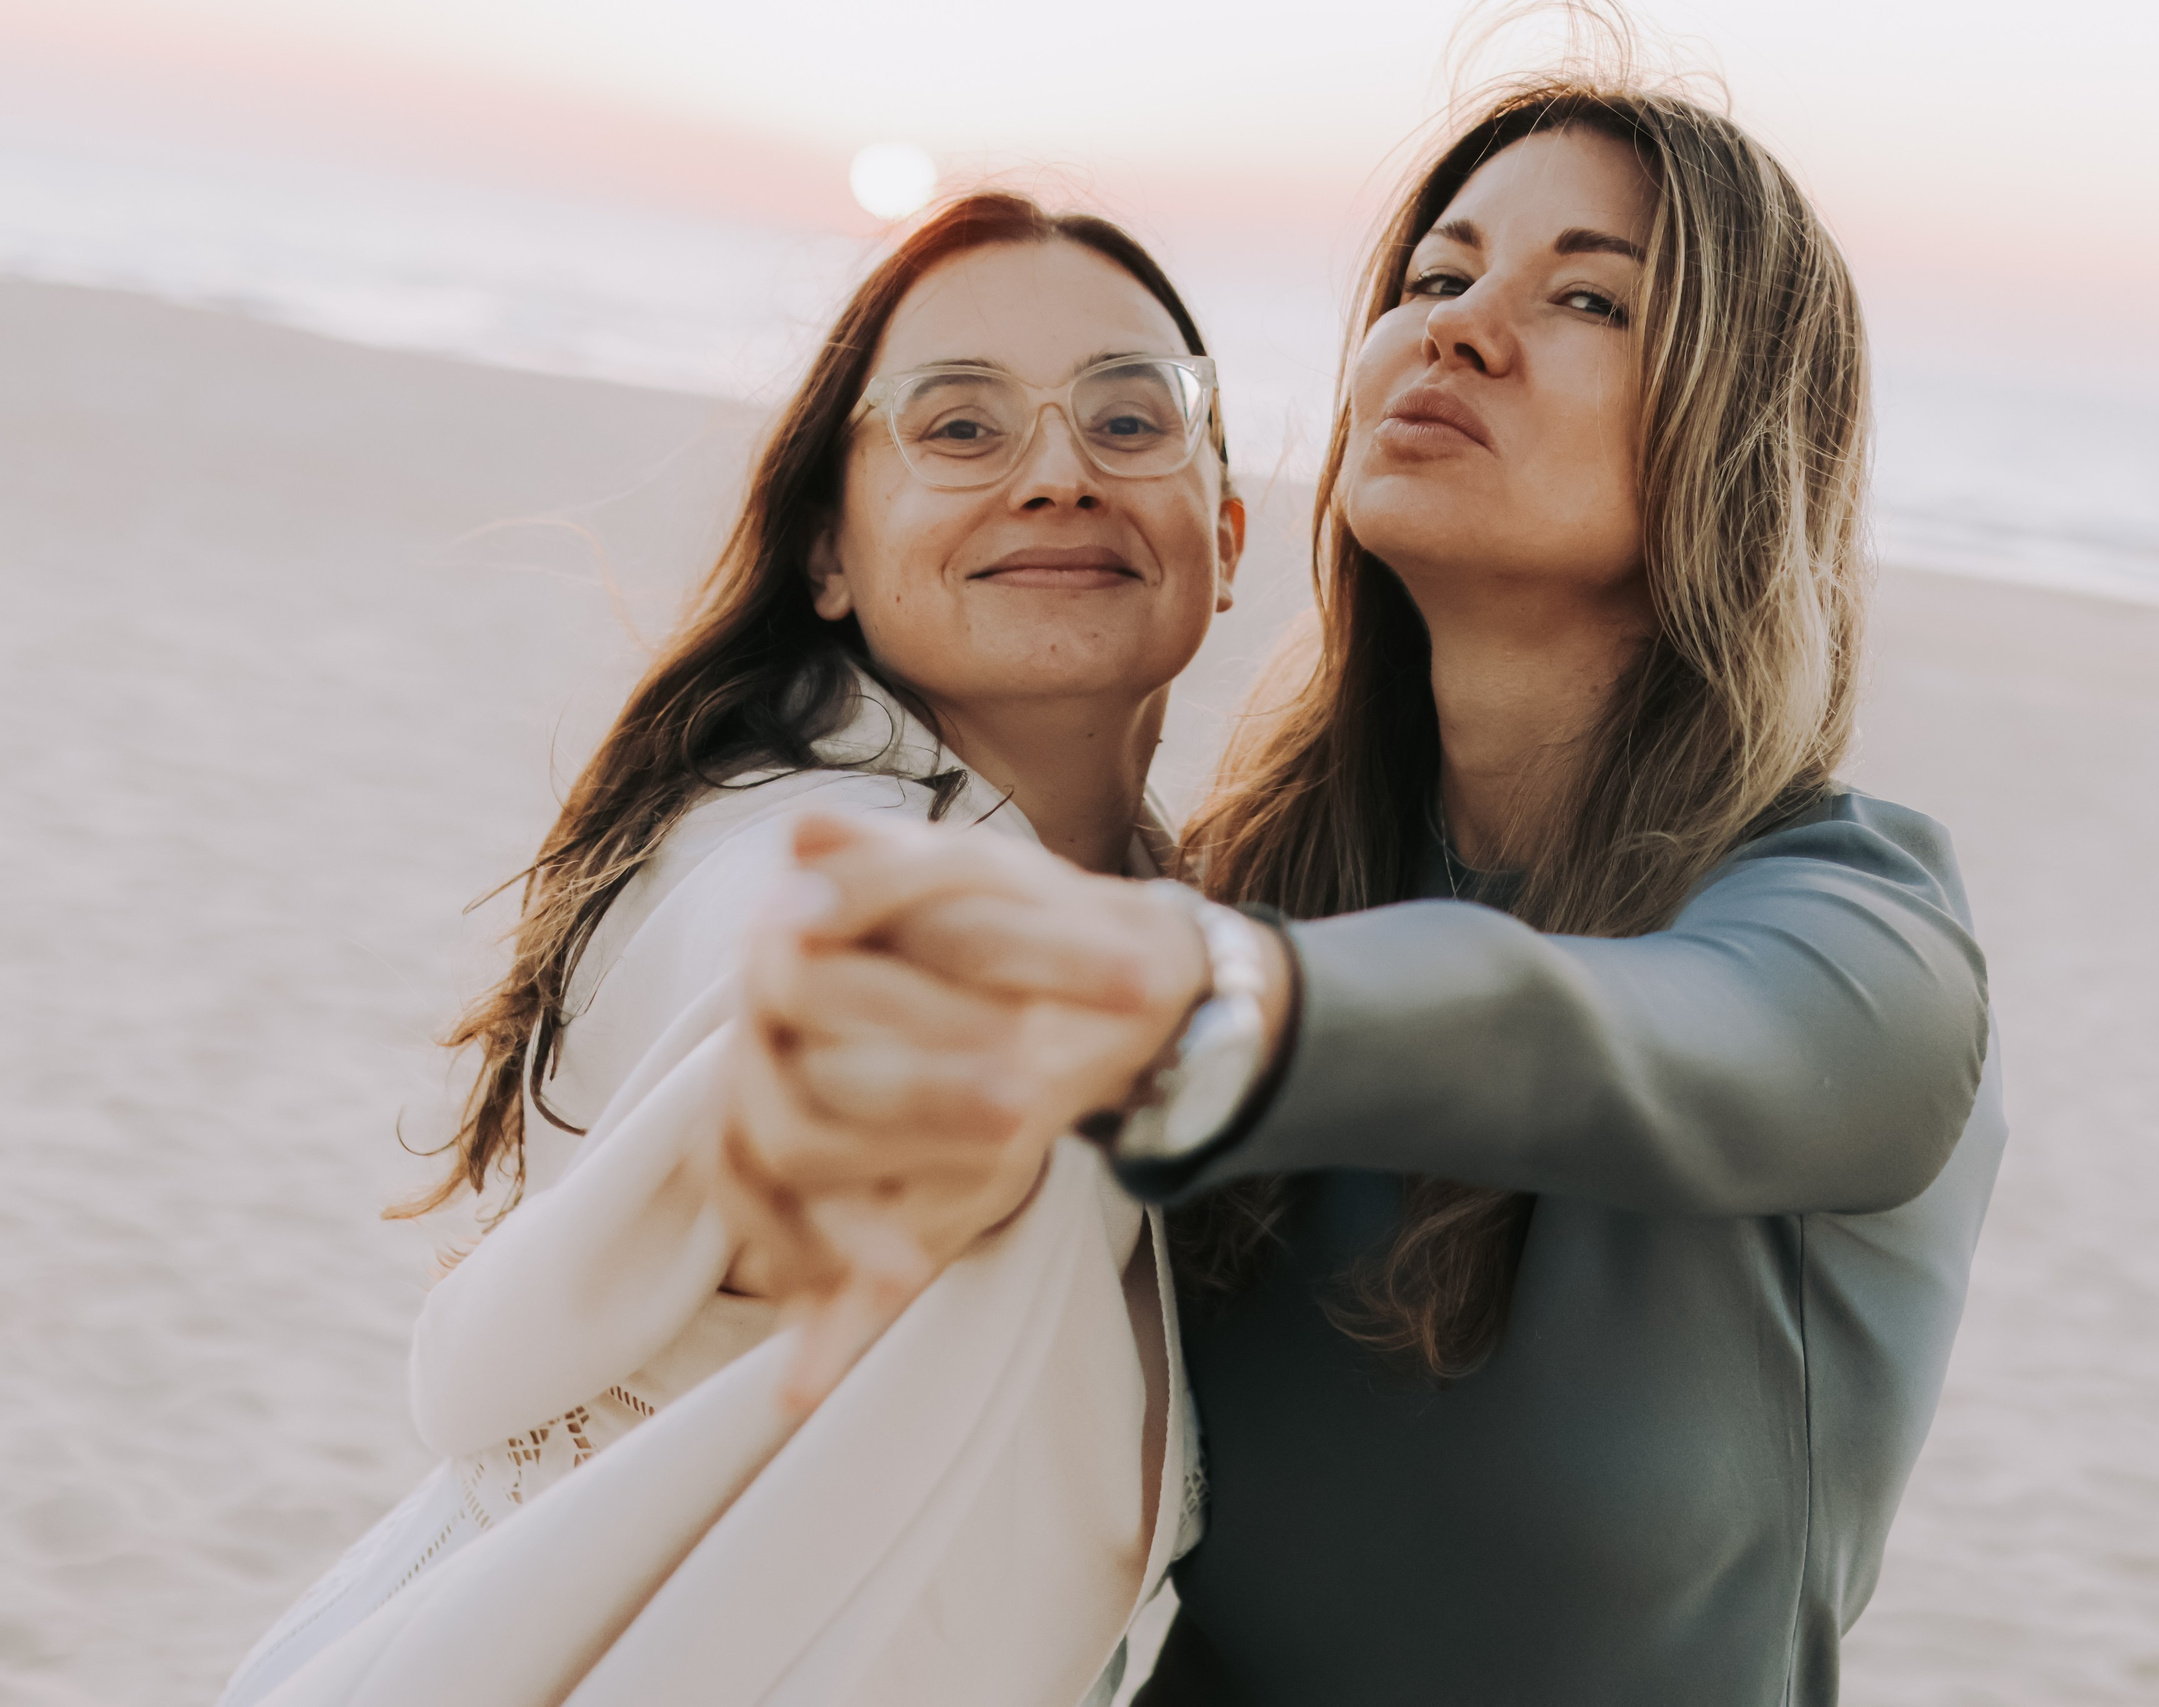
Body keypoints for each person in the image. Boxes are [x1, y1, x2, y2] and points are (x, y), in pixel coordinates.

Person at [721, 75, 2006, 1707]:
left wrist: (1224, 1011)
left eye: (1590, 299)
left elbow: (1644, 1036)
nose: (1458, 327)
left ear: (1742, 440)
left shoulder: (1865, 942)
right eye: (1436, 275)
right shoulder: (1260, 890)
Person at [217, 191, 1242, 1707]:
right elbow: (798, 950)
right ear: (829, 552)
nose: (1055, 473)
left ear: (1226, 531)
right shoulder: (778, 842)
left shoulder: (1197, 936)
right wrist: (858, 1051)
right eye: (960, 427)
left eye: (1130, 419)